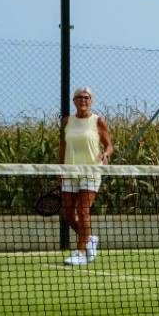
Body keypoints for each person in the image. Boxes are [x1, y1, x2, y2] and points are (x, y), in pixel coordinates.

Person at [58, 87, 111, 266]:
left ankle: (80, 252)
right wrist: (59, 169)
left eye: (86, 97)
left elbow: (109, 145)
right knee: (67, 213)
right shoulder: (67, 121)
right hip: (69, 171)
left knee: (83, 210)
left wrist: (105, 154)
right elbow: (63, 147)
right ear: (74, 101)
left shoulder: (98, 121)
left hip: (91, 171)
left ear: (91, 101)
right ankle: (89, 240)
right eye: (79, 97)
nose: (83, 100)